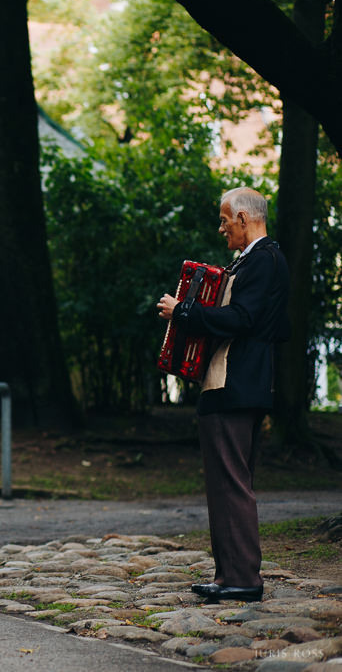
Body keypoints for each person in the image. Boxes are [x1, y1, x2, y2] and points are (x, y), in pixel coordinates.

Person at [157, 187, 289, 603]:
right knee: (225, 484)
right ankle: (229, 573)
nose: (221, 227)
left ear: (245, 218)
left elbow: (242, 318)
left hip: (236, 385)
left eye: (224, 219)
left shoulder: (265, 259)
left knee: (231, 484)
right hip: (233, 384)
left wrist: (184, 311)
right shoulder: (255, 260)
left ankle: (243, 578)